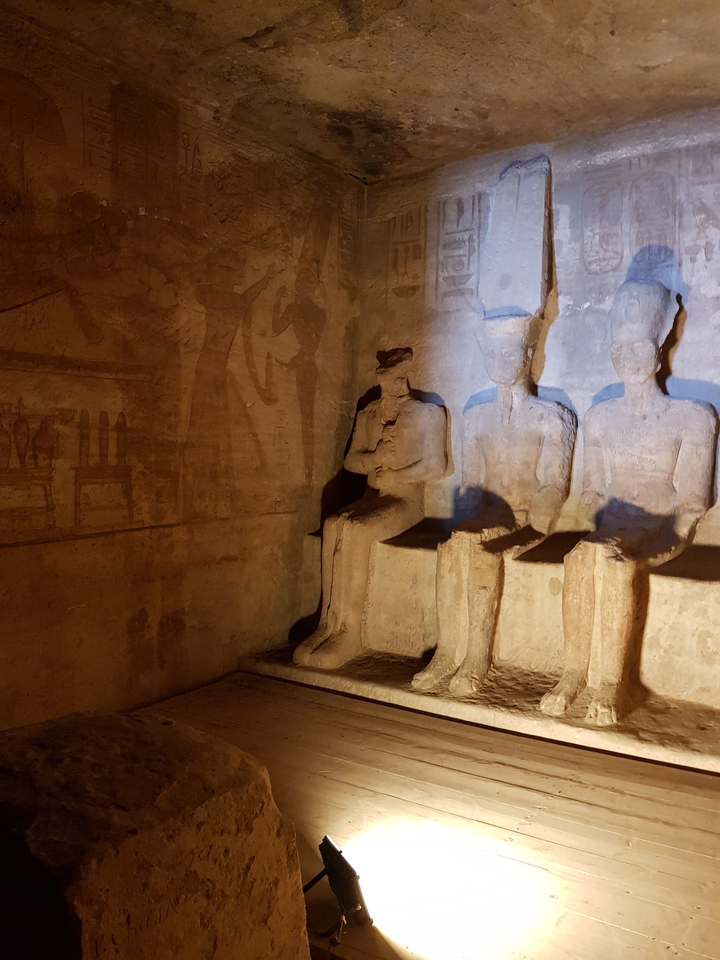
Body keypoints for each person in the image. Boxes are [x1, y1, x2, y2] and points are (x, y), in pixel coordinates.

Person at [540, 280, 717, 725]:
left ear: (659, 348)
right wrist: (604, 524)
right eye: (620, 349)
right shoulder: (600, 417)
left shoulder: (693, 417)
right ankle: (572, 674)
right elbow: (593, 493)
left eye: (638, 347)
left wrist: (662, 538)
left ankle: (610, 683)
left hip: (661, 527)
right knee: (579, 559)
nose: (629, 358)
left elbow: (693, 502)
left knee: (616, 566)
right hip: (612, 526)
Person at [412, 313, 576, 695]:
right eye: (492, 353)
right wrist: (468, 522)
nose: (499, 361)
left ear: (528, 355)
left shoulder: (552, 416)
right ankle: (447, 652)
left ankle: (476, 656)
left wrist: (534, 521)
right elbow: (470, 484)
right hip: (489, 516)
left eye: (509, 352)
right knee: (453, 546)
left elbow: (555, 485)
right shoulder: (475, 417)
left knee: (484, 552)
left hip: (526, 519)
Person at [293, 347, 448, 670]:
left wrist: (397, 475)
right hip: (373, 496)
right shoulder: (369, 413)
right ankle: (328, 621)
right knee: (334, 523)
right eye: (386, 380)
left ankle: (350, 630)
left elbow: (437, 465)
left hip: (406, 501)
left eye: (397, 379)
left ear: (405, 377)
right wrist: (374, 459)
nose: (392, 387)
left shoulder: (427, 413)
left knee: (357, 529)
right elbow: (351, 460)